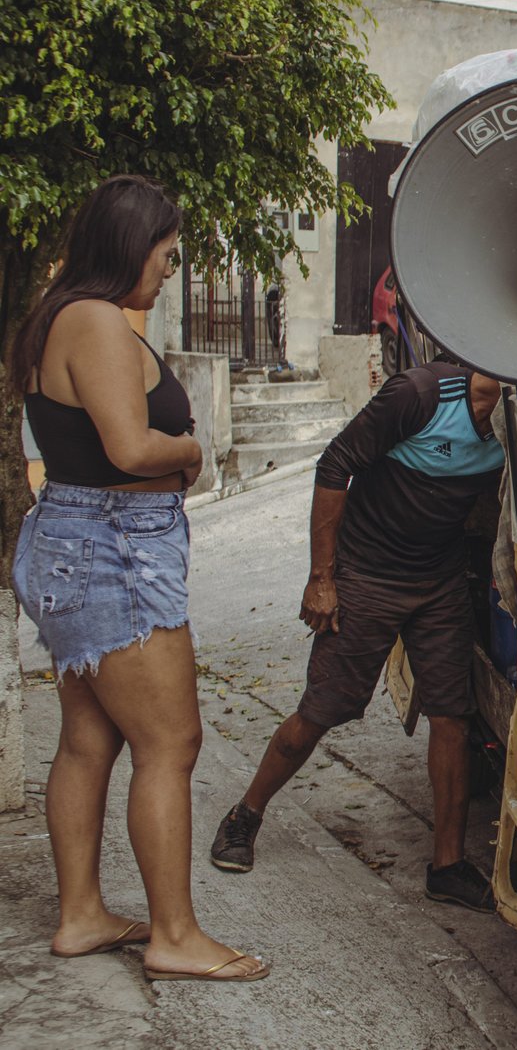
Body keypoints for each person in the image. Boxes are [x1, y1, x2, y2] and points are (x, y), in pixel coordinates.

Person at [10, 175, 270, 982]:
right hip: (111, 547)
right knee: (171, 740)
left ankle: (82, 916)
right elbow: (128, 447)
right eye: (166, 254)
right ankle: (175, 934)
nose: (168, 269)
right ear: (131, 245)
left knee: (90, 735)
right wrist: (191, 451)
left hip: (82, 540)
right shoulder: (92, 319)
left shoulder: (62, 315)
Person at [210, 354, 504, 911]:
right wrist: (322, 577)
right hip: (368, 575)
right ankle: (245, 814)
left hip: (439, 581)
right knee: (322, 710)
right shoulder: (420, 395)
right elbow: (334, 463)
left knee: (452, 717)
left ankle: (447, 867)